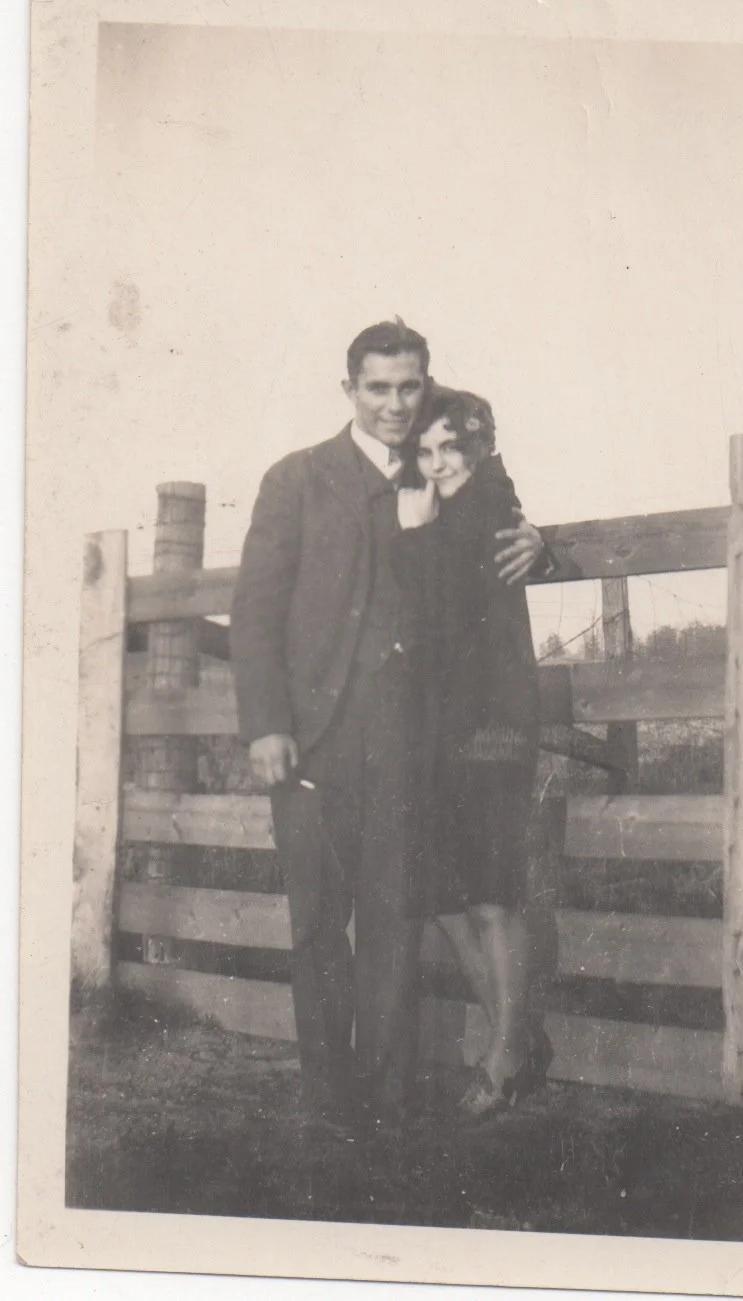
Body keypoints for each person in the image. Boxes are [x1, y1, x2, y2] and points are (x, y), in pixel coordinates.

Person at [230, 321, 547, 1132]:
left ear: (426, 383)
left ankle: (390, 1098)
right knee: (315, 927)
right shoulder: (296, 479)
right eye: (378, 387)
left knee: (392, 926)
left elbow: (498, 535)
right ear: (349, 391)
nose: (396, 403)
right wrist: (267, 725)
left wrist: (541, 544)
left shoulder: (445, 466)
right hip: (313, 740)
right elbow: (256, 611)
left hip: (412, 742)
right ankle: (330, 1101)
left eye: (409, 385)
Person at [392, 386, 552, 1121]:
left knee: (487, 892)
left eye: (449, 447)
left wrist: (417, 532)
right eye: (423, 452)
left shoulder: (488, 506)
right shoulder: (448, 509)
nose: (436, 463)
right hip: (437, 729)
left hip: (489, 724)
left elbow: (443, 609)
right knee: (445, 897)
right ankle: (514, 1041)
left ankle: (505, 1054)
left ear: (480, 447)